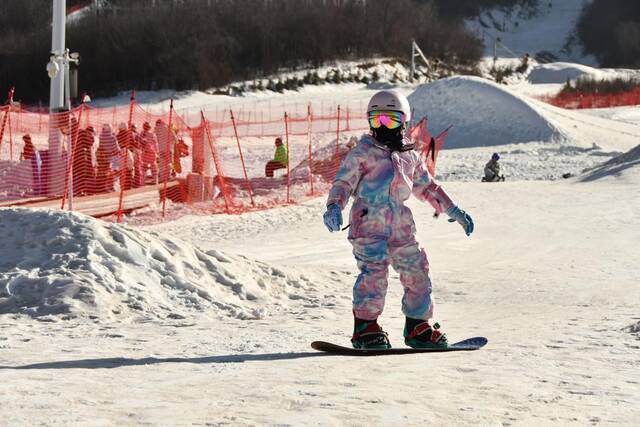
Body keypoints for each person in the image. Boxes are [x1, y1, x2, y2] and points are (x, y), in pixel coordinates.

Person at [322, 90, 474, 350]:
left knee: (417, 269)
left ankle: (418, 326)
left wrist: (453, 209)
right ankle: (365, 328)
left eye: (390, 120)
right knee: (375, 272)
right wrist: (334, 206)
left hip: (400, 223)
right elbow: (343, 183)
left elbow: (428, 187)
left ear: (403, 122)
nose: (382, 127)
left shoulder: (410, 156)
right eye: (376, 120)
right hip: (368, 221)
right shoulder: (363, 153)